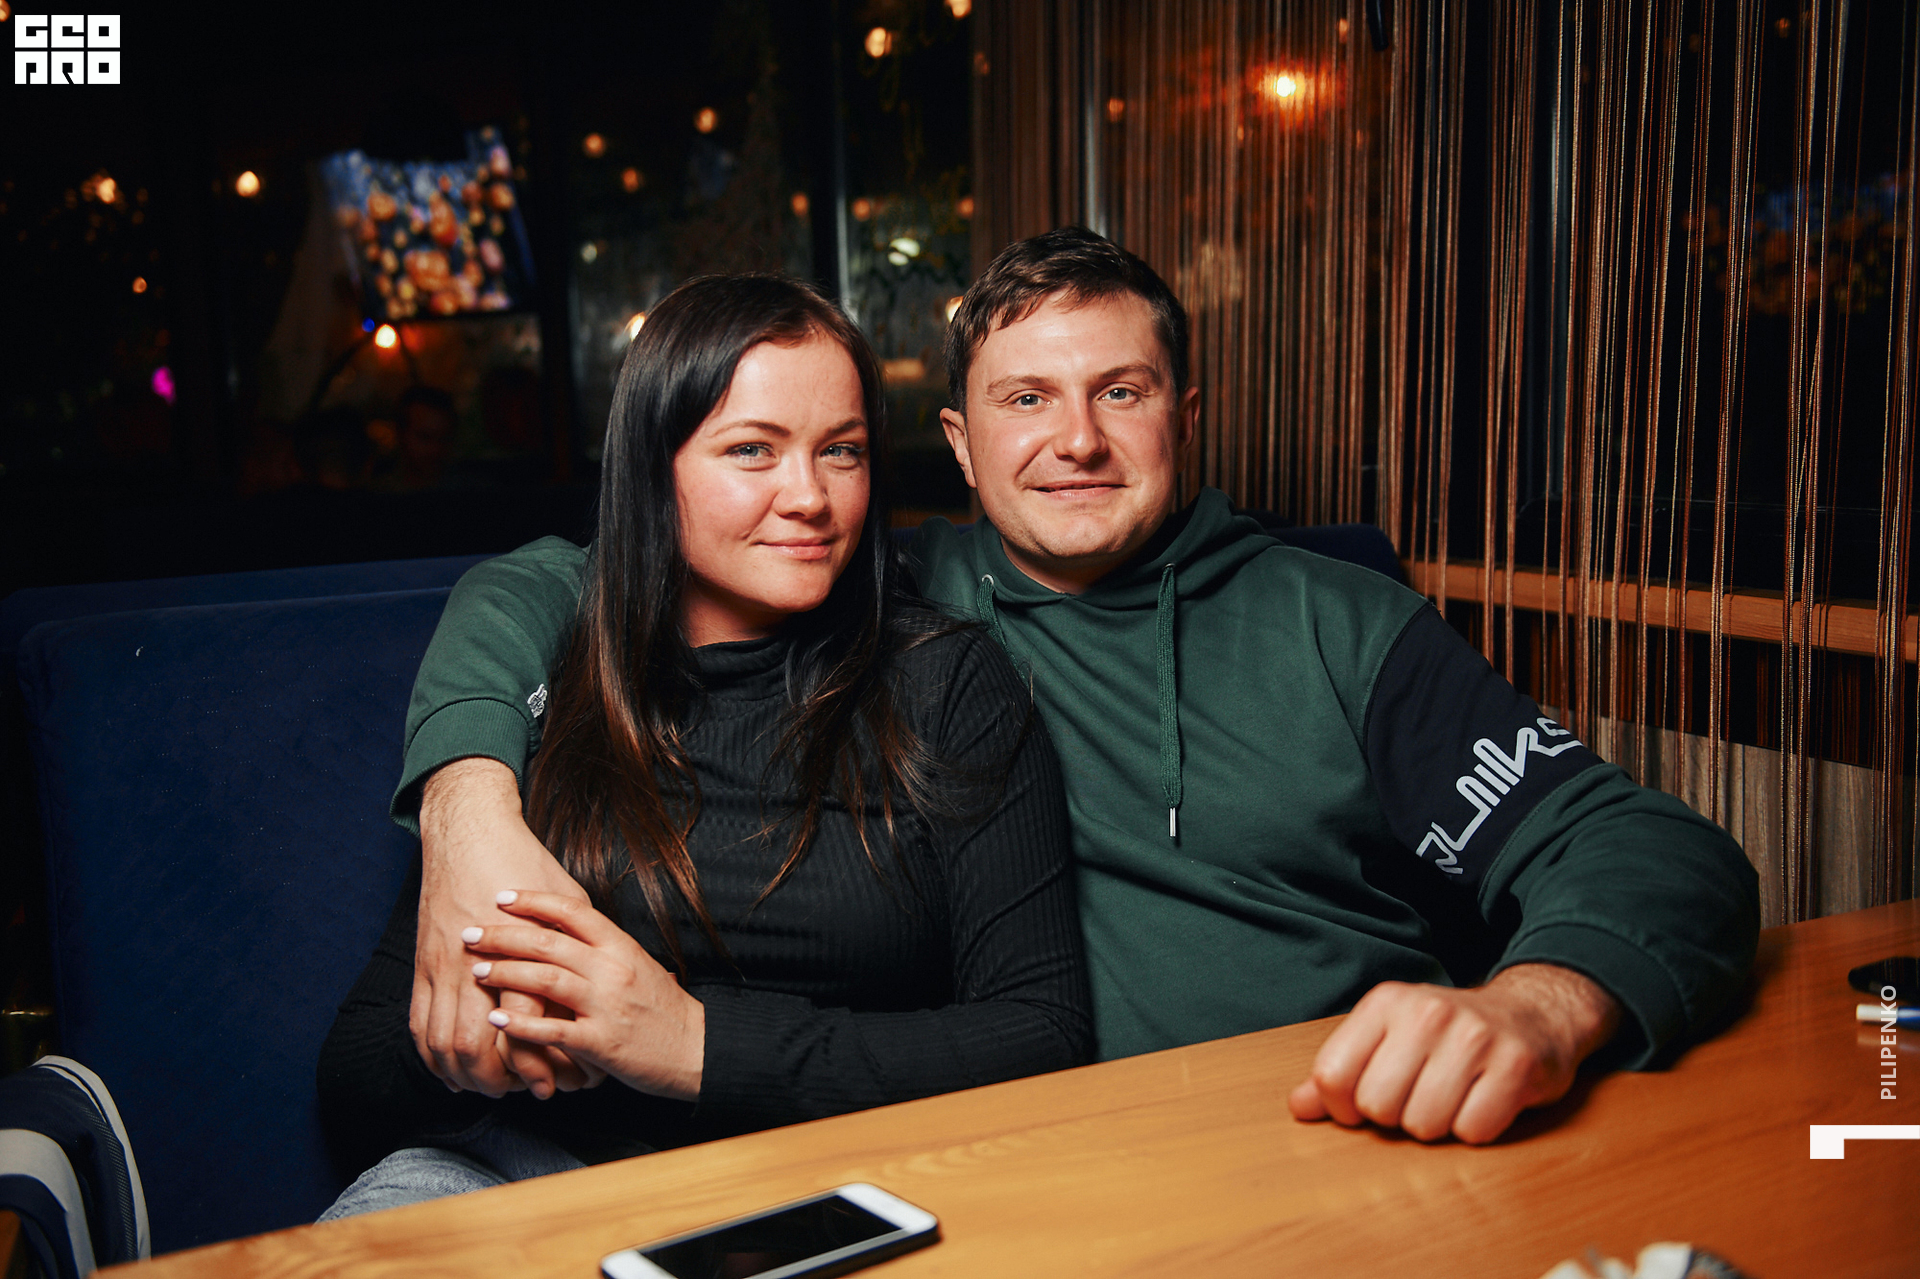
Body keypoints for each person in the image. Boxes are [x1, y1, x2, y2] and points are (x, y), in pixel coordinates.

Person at [395, 230, 1760, 1148]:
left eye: (1122, 390)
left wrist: (1534, 1005)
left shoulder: (1336, 622)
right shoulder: (886, 599)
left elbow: (1650, 849)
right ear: (959, 443)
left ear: (1184, 416)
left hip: (1348, 1126)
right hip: (1045, 1149)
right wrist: (467, 809)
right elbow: (553, 581)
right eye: (1026, 400)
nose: (1078, 441)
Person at [316, 274, 1090, 1214]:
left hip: (853, 1181)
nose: (808, 496)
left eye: (840, 451)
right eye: (752, 449)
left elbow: (1044, 1034)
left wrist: (691, 1043)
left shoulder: (947, 682)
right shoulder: (549, 682)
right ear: (655, 469)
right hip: (540, 1176)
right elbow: (354, 1076)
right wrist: (492, 1044)